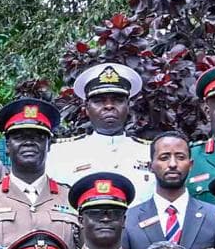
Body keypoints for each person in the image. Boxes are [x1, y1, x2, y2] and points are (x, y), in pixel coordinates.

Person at [0, 99, 77, 249]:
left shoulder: (70, 199)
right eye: (19, 137)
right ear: (7, 146)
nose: (29, 143)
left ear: (49, 145)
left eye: (38, 137)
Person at [49, 64, 155, 194]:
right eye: (99, 101)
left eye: (117, 100)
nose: (109, 106)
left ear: (128, 106)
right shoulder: (61, 153)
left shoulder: (151, 153)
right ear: (86, 108)